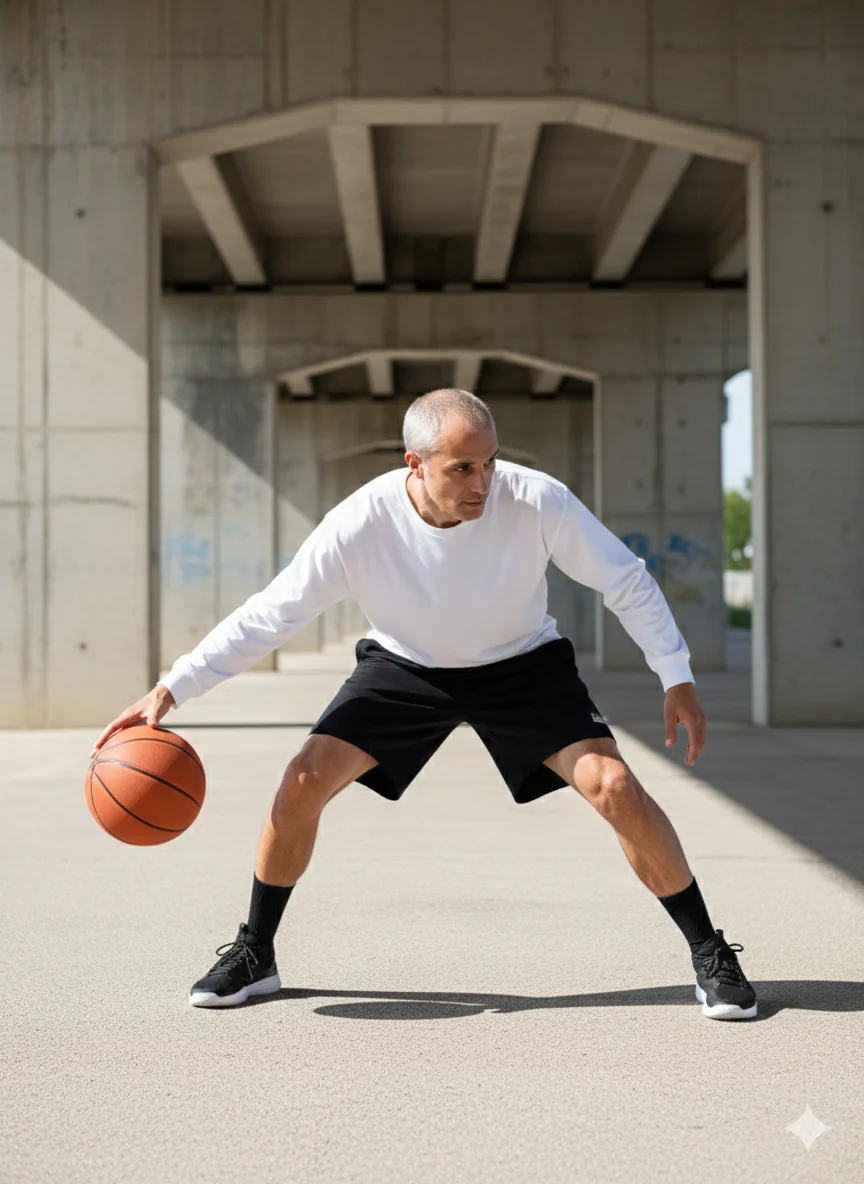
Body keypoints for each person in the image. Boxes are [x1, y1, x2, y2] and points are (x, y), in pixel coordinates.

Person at [91, 388, 757, 1020]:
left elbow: (625, 579)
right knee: (300, 783)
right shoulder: (360, 522)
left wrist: (676, 675)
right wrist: (174, 686)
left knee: (615, 786)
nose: (483, 482)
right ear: (415, 463)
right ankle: (255, 953)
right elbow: (272, 614)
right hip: (404, 667)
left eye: (490, 463)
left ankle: (709, 950)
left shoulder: (535, 499)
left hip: (522, 665)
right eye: (463, 466)